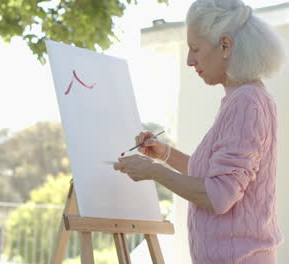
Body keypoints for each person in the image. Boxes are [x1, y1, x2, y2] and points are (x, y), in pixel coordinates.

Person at [113, 0, 285, 263]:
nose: (189, 60)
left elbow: (219, 195)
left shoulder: (246, 101)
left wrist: (152, 171)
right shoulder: (242, 98)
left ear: (225, 45)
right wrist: (165, 155)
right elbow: (214, 177)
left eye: (195, 49)